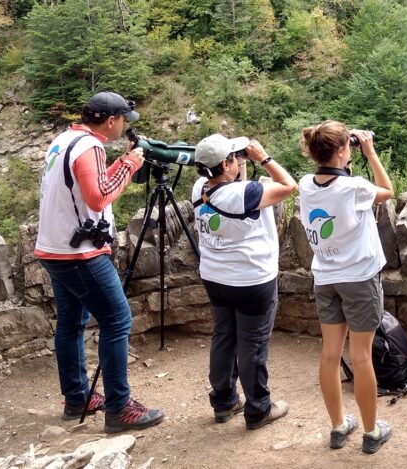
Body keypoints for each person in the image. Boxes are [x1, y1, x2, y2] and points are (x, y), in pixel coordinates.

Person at [36, 91, 166, 433]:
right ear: (111, 120)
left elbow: (86, 184)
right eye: (124, 121)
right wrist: (130, 163)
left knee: (71, 323)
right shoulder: (90, 147)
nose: (125, 127)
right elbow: (99, 195)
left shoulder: (65, 139)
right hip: (78, 252)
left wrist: (118, 163)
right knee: (117, 320)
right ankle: (120, 408)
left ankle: (77, 397)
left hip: (53, 248)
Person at [298, 121, 394, 454]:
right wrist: (370, 151)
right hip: (359, 278)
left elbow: (334, 180)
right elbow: (387, 189)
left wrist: (346, 163)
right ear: (342, 150)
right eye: (348, 146)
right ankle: (371, 432)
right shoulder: (355, 189)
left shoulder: (305, 184)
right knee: (362, 357)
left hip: (326, 277)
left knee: (330, 354)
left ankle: (338, 427)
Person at [191, 133, 296, 430]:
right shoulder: (245, 194)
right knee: (252, 344)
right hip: (251, 281)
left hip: (215, 277)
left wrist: (240, 164)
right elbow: (289, 185)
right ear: (225, 164)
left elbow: (236, 189)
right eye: (235, 158)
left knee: (224, 336)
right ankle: (258, 409)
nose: (239, 161)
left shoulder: (199, 188)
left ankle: (224, 402)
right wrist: (263, 158)